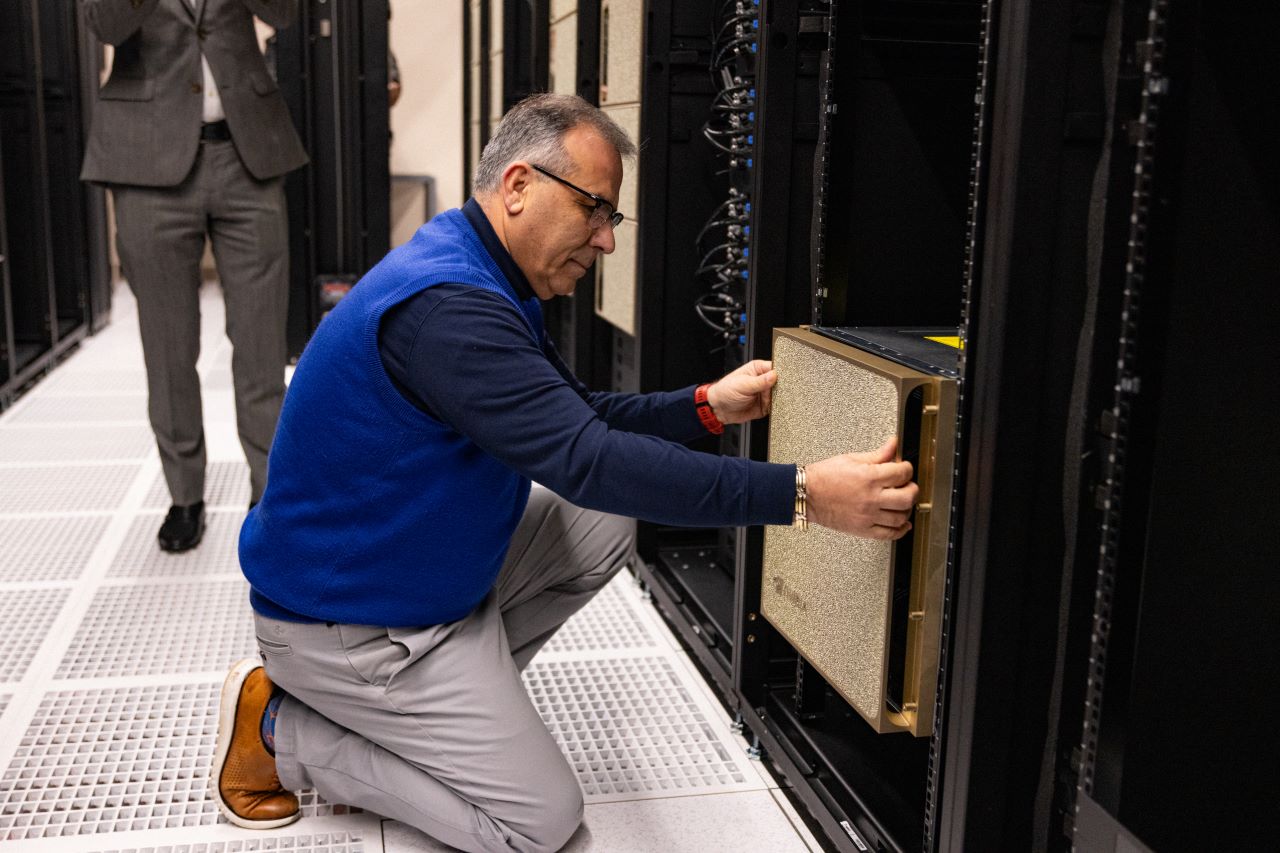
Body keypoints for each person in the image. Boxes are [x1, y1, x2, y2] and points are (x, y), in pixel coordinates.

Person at [211, 94, 917, 851]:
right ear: (519, 185)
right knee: (537, 821)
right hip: (353, 627)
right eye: (595, 209)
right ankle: (281, 726)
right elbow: (590, 459)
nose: (607, 240)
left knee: (603, 518)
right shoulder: (450, 310)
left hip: (413, 586)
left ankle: (446, 716)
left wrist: (706, 405)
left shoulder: (471, 261)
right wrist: (805, 495)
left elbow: (577, 417)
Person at [81, 0, 308, 552]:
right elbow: (105, 24)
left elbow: (286, 15)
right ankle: (185, 496)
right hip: (146, 161)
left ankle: (269, 496)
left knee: (260, 343)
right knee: (167, 343)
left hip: (247, 155)